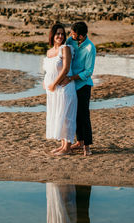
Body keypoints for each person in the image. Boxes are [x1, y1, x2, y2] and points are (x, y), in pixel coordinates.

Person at [62, 22, 96, 156]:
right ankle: (79, 141)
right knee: (74, 115)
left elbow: (89, 71)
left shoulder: (90, 48)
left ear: (81, 36)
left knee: (84, 116)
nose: (70, 35)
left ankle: (87, 146)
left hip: (83, 85)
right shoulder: (71, 40)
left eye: (73, 34)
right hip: (71, 84)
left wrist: (72, 78)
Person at [43, 24, 78, 156]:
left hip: (63, 88)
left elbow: (66, 69)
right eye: (58, 33)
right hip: (52, 91)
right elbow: (48, 70)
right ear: (52, 35)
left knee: (66, 116)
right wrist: (45, 82)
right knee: (58, 115)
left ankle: (67, 147)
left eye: (62, 34)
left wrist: (53, 84)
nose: (60, 36)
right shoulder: (49, 52)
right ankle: (63, 145)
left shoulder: (65, 49)